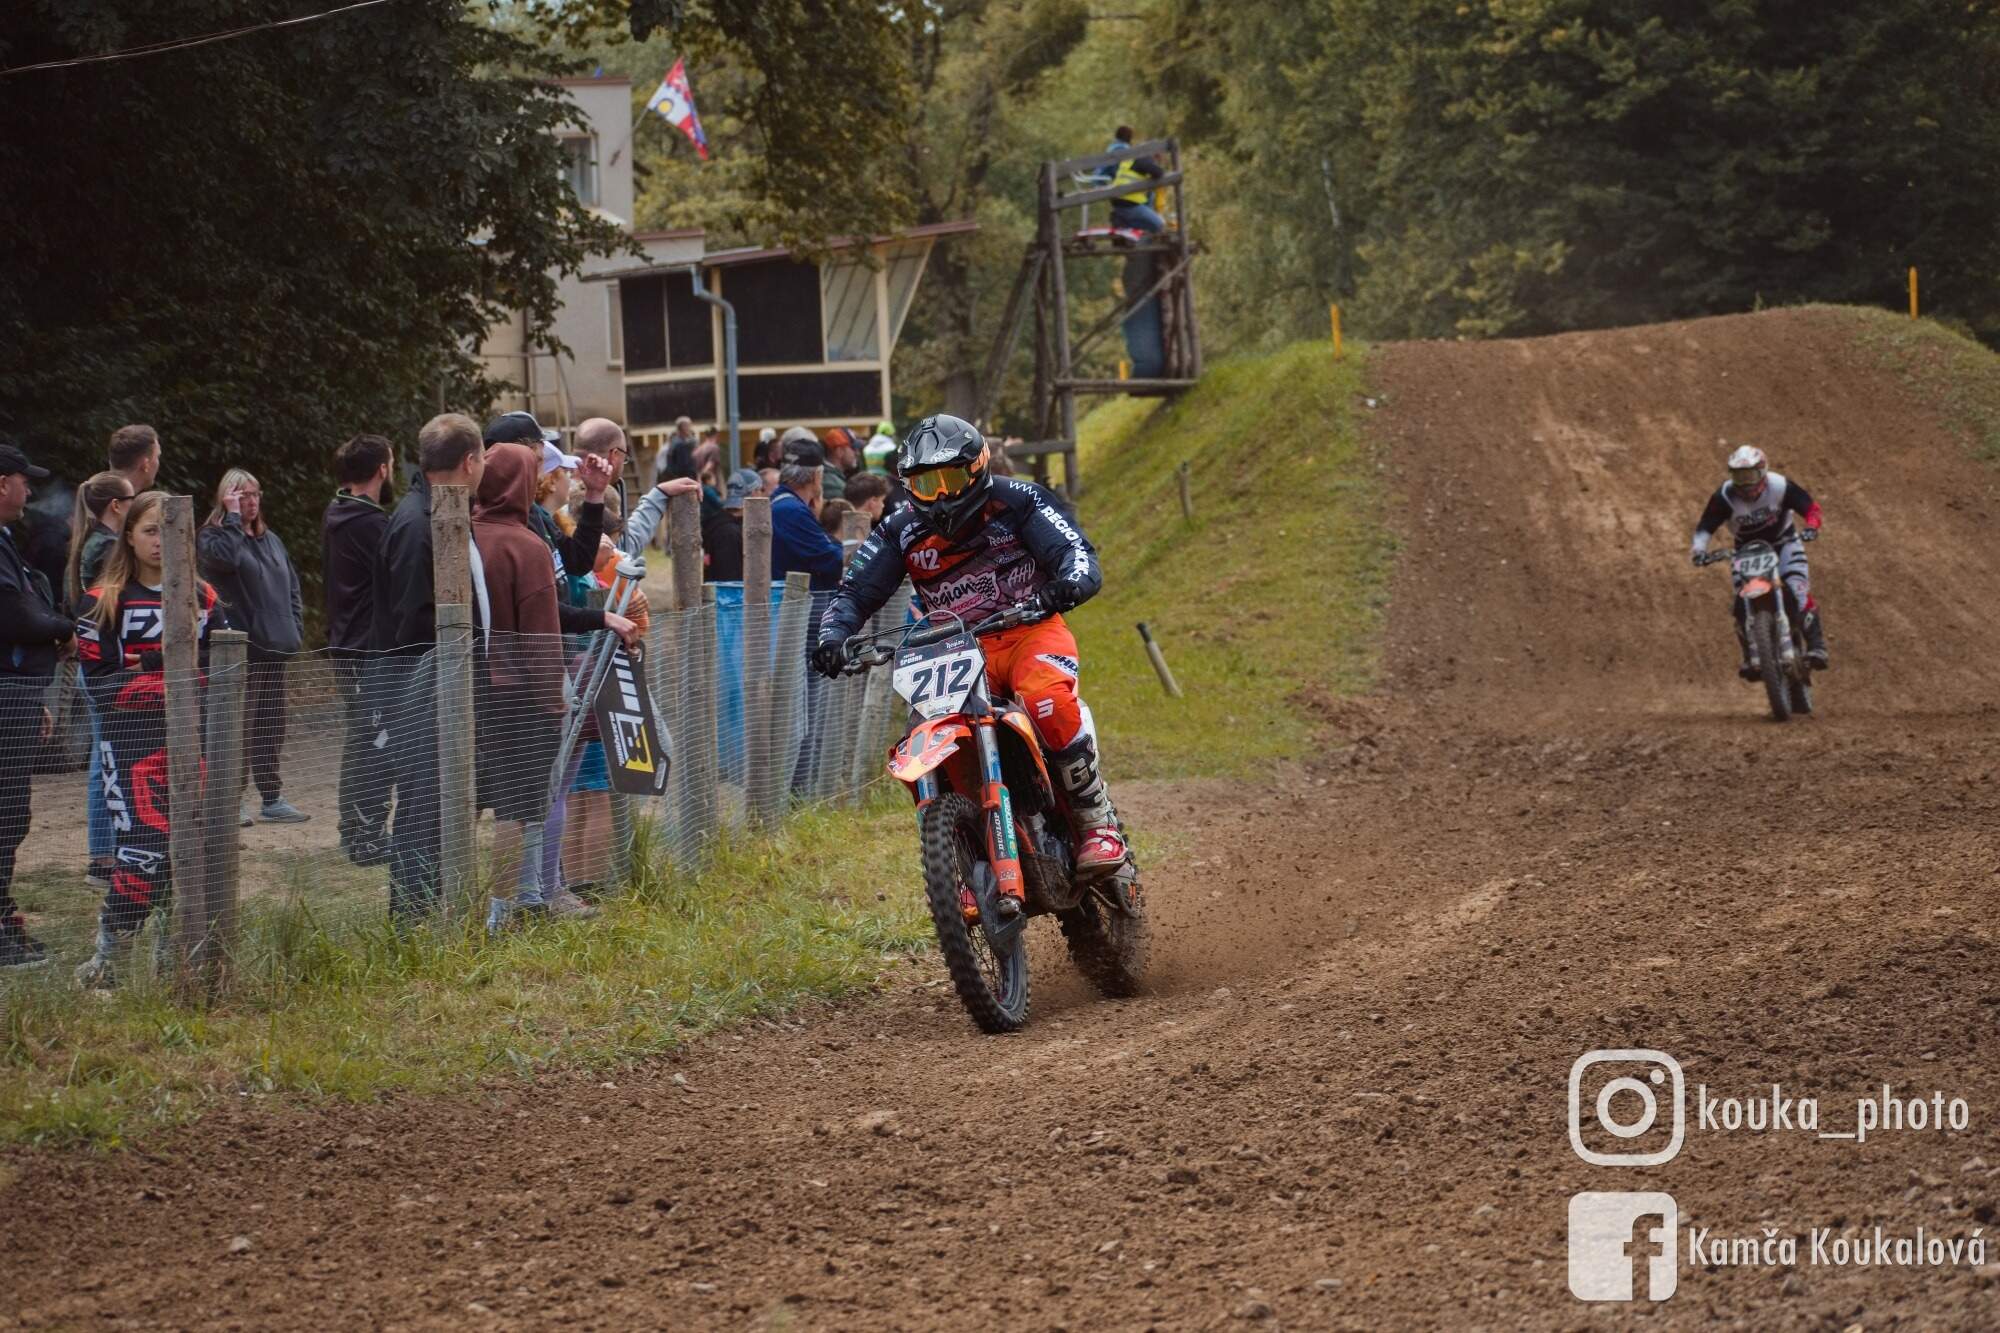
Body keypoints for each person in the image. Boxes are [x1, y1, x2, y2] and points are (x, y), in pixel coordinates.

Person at [811, 414, 1128, 903]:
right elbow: (855, 591)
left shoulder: (1019, 500)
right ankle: (963, 857)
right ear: (907, 485)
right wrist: (834, 635)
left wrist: (1066, 584)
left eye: (951, 479)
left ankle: (1095, 821)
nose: (940, 496)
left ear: (978, 468)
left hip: (1029, 631)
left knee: (1044, 700)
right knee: (928, 740)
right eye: (925, 484)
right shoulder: (900, 529)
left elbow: (1075, 552)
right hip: (955, 649)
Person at [74, 491, 225, 988]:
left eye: (171, 530)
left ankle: (171, 959)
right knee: (142, 852)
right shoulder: (103, 600)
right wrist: (174, 674)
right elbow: (101, 686)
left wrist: (160, 664)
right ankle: (107, 963)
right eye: (151, 530)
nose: (162, 541)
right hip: (130, 747)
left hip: (193, 742)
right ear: (130, 537)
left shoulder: (203, 597)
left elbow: (227, 663)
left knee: (190, 852)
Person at [372, 413, 485, 921]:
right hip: (420, 693)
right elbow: (413, 619)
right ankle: (413, 919)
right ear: (470, 461)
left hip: (440, 688)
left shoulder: (439, 512)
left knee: (442, 805)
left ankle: (436, 908)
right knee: (423, 809)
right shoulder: (419, 524)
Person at [471, 441, 570, 933]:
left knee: (466, 801)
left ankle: (455, 905)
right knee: (515, 808)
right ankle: (499, 913)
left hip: (468, 689)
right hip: (520, 697)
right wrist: (554, 700)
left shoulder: (462, 534)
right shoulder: (527, 547)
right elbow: (541, 636)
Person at [199, 467, 307, 825]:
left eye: (255, 494)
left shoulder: (271, 540)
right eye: (242, 495)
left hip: (276, 646)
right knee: (237, 728)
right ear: (226, 498)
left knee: (271, 726)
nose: (251, 501)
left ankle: (272, 797)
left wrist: (295, 626)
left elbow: (291, 587)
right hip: (240, 652)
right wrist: (231, 519)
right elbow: (225, 560)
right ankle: (230, 798)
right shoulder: (214, 538)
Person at [0, 441, 73, 969]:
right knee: (5, 813)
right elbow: (15, 616)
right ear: (2, 483)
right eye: (24, 480)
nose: (29, 490)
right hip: (7, 694)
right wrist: (64, 630)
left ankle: (5, 917)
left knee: (11, 813)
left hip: (15, 691)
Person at [61, 472, 138, 890]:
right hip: (101, 666)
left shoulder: (92, 543)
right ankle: (103, 858)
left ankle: (107, 854)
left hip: (95, 664)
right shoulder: (104, 547)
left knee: (103, 756)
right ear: (116, 506)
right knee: (103, 761)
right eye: (132, 499)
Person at [1689, 443, 1829, 673]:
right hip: (1747, 552)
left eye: (1750, 476)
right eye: (1739, 477)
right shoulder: (1724, 496)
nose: (1745, 484)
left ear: (1762, 472)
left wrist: (1812, 526)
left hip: (1784, 543)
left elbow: (1810, 507)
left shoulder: (1779, 486)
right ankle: (1751, 655)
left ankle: (1817, 646)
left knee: (1799, 590)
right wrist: (1699, 550)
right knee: (1741, 602)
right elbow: (1706, 526)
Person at [323, 433, 395, 865]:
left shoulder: (338, 511)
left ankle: (353, 828)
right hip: (364, 647)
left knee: (361, 739)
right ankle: (366, 835)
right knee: (375, 741)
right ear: (383, 469)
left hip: (346, 642)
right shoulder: (368, 523)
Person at [771, 437, 846, 591]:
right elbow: (832, 559)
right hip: (798, 603)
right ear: (816, 476)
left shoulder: (780, 504)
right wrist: (865, 560)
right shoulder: (792, 511)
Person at [1100, 125, 1165, 235]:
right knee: (1159, 225)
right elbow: (1158, 172)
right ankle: (1127, 225)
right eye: (1158, 155)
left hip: (1120, 201)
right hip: (1130, 203)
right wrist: (1158, 166)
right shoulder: (1144, 157)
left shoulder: (1133, 156)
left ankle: (1122, 221)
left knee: (1148, 224)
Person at [704, 468, 760, 583]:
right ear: (754, 493)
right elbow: (731, 580)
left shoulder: (725, 524)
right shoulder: (728, 533)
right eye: (761, 490)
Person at [107, 424, 161, 494]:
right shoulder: (124, 500)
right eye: (157, 457)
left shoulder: (96, 494)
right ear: (146, 464)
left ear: (110, 462)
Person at [656, 416, 699, 484]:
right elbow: (681, 465)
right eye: (688, 426)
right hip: (682, 478)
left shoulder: (687, 442)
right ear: (683, 427)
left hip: (684, 477)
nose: (690, 428)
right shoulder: (678, 444)